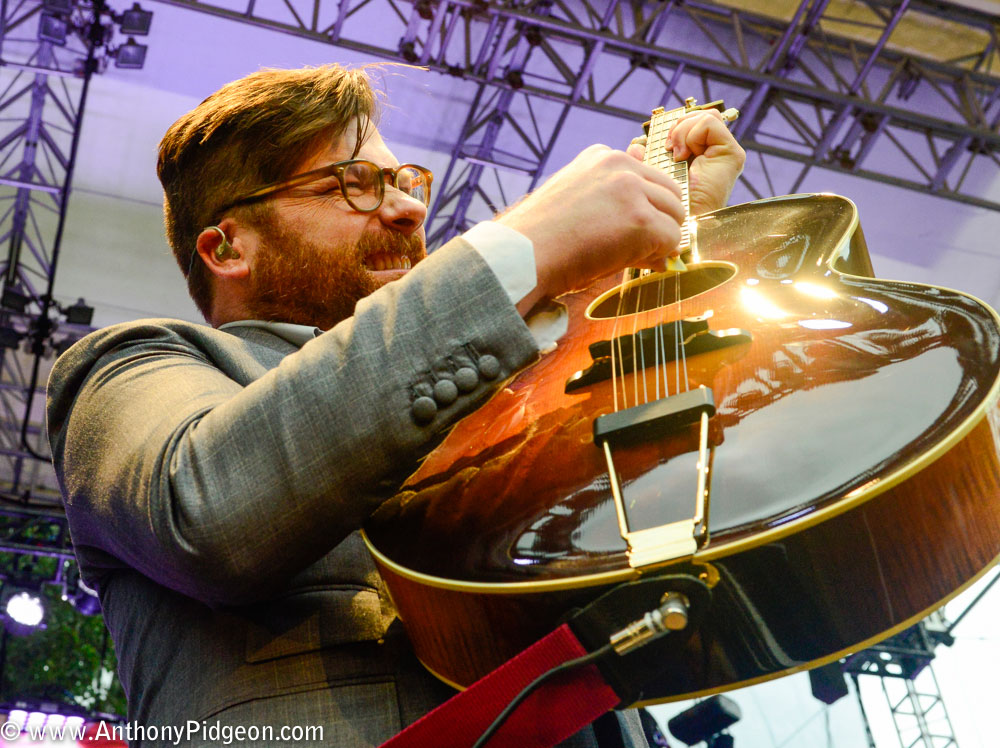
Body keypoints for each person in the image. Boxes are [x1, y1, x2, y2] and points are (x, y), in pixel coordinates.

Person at [46, 65, 745, 747]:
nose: (410, 209)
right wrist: (521, 246)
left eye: (405, 181)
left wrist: (663, 240)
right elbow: (204, 511)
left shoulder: (483, 375)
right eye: (350, 185)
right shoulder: (125, 365)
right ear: (228, 248)